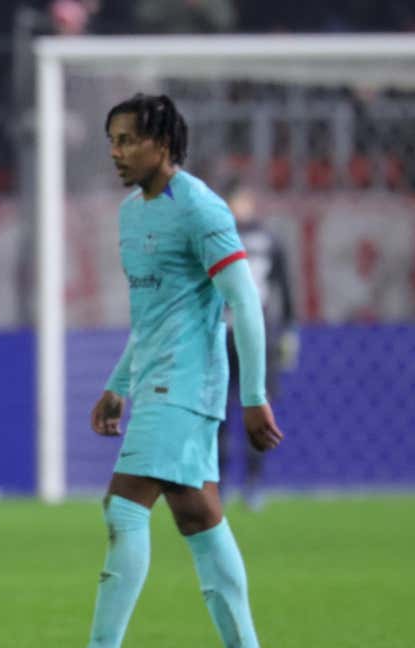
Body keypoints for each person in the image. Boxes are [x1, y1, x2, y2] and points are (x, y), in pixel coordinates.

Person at [86, 94, 284, 648]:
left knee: (123, 507)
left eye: (128, 140)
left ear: (164, 144)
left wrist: (255, 395)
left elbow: (244, 302)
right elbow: (153, 315)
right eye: (112, 141)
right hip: (154, 382)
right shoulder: (132, 213)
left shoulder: (201, 208)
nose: (116, 152)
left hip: (188, 383)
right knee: (198, 517)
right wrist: (118, 384)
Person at [219, 183, 298, 510]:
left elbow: (284, 289)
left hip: (259, 337)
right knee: (219, 413)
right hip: (223, 335)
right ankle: (220, 485)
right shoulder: (217, 240)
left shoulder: (268, 240)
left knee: (256, 409)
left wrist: (289, 331)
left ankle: (253, 484)